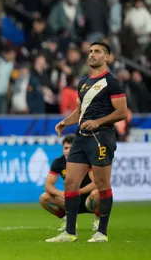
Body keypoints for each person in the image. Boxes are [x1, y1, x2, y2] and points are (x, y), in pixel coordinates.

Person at [47, 42, 127, 243]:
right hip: (81, 139)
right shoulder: (83, 82)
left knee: (101, 185)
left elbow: (122, 112)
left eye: (97, 51)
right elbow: (79, 112)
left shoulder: (112, 82)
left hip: (101, 138)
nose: (92, 54)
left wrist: (98, 121)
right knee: (70, 182)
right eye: (91, 51)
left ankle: (102, 232)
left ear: (107, 57)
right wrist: (65, 122)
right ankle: (70, 232)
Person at [39, 134, 99, 232]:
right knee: (44, 198)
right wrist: (61, 194)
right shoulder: (58, 162)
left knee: (97, 193)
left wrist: (78, 192)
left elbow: (95, 183)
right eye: (66, 148)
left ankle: (98, 219)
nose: (68, 151)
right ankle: (68, 220)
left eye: (71, 148)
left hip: (88, 200)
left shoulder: (86, 160)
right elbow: (48, 185)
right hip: (70, 200)